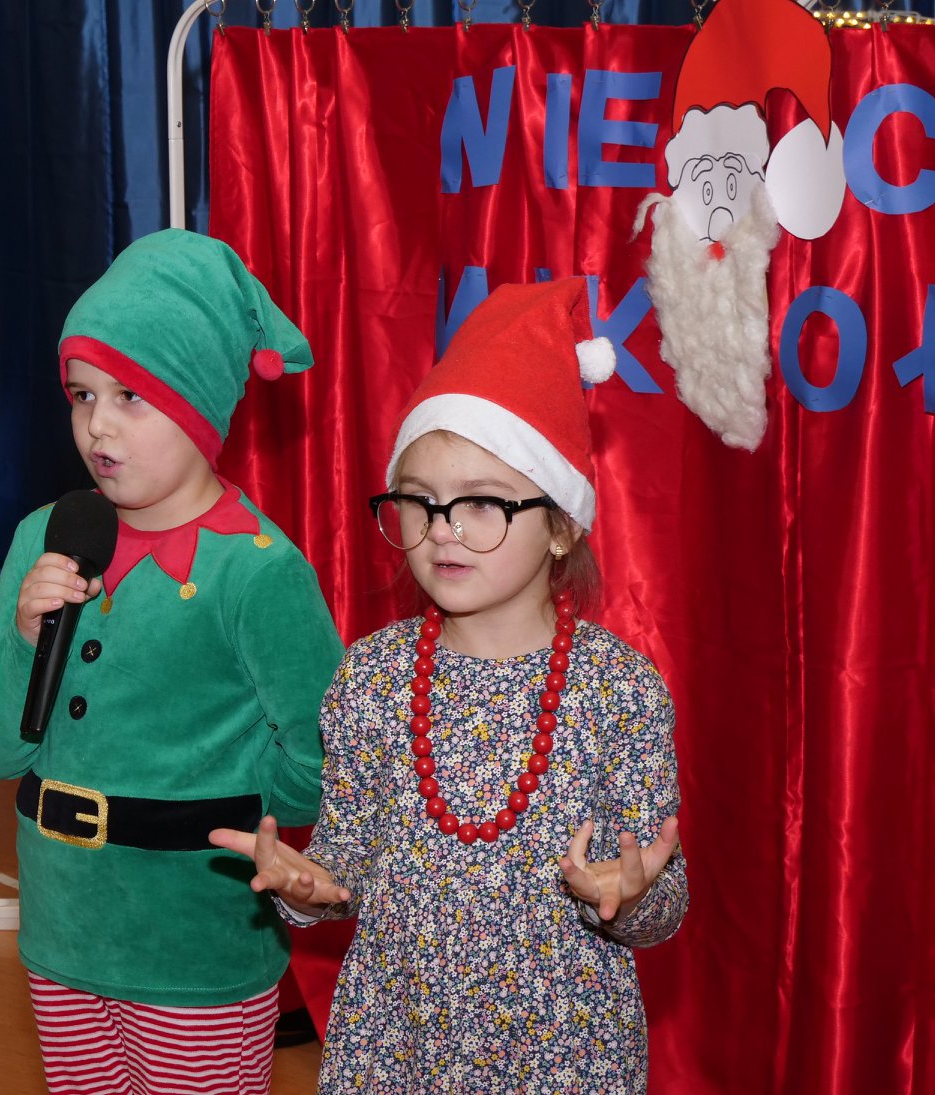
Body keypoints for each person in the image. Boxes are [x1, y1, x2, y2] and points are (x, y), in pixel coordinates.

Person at [212, 277, 688, 1093]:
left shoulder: (620, 690)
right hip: (397, 1046)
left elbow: (661, 894)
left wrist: (631, 895)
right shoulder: (371, 678)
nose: (443, 530)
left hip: (566, 1056)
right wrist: (311, 887)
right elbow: (348, 855)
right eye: (422, 502)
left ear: (562, 525)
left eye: (482, 504)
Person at [0, 229, 342, 1095]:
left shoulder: (258, 570)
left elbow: (325, 763)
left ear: (200, 399)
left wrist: (226, 802)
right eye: (82, 394)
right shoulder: (46, 536)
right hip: (62, 935)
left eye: (132, 395)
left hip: (195, 953)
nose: (98, 424)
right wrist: (23, 639)